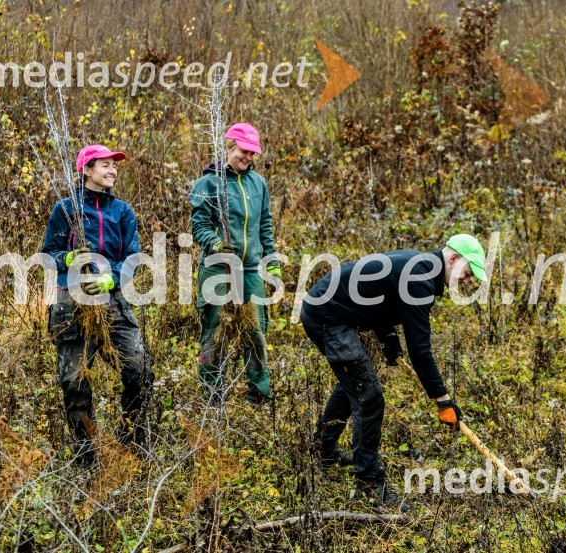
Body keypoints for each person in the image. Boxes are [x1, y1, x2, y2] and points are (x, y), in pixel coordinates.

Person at [300, 234, 488, 511]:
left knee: (354, 382)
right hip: (327, 316)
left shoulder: (420, 266)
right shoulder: (420, 280)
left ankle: (323, 449)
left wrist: (388, 337)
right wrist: (443, 400)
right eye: (468, 272)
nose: (467, 281)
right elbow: (420, 350)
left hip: (332, 310)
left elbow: (378, 298)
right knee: (370, 396)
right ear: (454, 258)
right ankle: (370, 482)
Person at [42, 145, 155, 467]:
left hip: (113, 301)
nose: (113, 171)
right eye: (105, 165)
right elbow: (48, 253)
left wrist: (112, 279)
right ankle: (86, 456)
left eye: (114, 166)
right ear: (87, 170)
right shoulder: (65, 209)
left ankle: (132, 442)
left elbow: (132, 258)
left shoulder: (123, 212)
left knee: (140, 371)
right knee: (75, 382)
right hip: (71, 301)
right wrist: (67, 258)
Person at [190, 123, 281, 404]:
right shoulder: (207, 183)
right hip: (217, 267)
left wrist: (272, 260)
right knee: (215, 332)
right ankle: (212, 397)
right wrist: (216, 243)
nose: (249, 157)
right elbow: (199, 225)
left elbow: (264, 225)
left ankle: (259, 395)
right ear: (229, 147)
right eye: (244, 151)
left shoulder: (258, 183)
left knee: (255, 332)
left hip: (251, 268)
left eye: (253, 153)